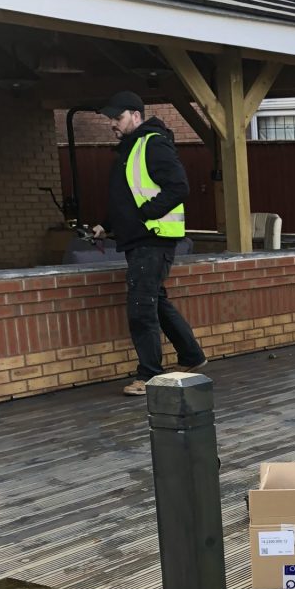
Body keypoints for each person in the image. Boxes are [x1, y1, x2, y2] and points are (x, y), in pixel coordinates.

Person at [92, 91, 206, 396]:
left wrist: (145, 215)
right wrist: (106, 225)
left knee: (141, 308)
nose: (113, 124)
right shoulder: (130, 149)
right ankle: (191, 356)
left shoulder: (153, 144)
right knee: (155, 300)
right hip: (141, 240)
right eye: (111, 119)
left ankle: (150, 375)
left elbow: (179, 187)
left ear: (136, 115)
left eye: (117, 117)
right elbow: (126, 198)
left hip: (152, 238)